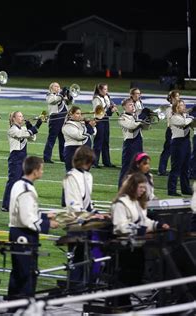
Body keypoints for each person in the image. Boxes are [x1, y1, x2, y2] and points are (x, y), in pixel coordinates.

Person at [111, 173, 169, 307]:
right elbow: (120, 226)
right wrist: (141, 230)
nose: (143, 191)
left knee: (136, 277)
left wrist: (157, 225)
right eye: (141, 187)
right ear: (132, 187)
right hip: (124, 247)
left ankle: (123, 302)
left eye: (145, 188)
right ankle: (121, 304)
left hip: (138, 245)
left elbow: (144, 220)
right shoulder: (121, 203)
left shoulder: (138, 203)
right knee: (126, 278)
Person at [8, 156, 59, 297]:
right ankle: (23, 307)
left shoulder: (19, 184)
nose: (42, 172)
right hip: (23, 234)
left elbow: (25, 211)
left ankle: (14, 306)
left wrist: (44, 216)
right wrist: (48, 224)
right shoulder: (26, 189)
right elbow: (27, 219)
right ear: (35, 171)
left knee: (19, 272)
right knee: (26, 273)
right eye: (41, 169)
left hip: (17, 231)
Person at [63, 146, 107, 286]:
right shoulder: (71, 177)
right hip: (75, 222)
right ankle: (75, 285)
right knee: (77, 256)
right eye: (89, 161)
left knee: (90, 252)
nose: (90, 165)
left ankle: (90, 280)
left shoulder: (88, 176)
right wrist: (88, 217)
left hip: (87, 219)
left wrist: (97, 213)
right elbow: (74, 205)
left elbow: (89, 201)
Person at [1, 111, 41, 212]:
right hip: (15, 157)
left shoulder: (23, 129)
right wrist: (36, 127)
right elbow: (21, 135)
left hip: (23, 157)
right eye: (19, 116)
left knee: (23, 182)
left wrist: (30, 126)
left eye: (22, 116)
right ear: (14, 119)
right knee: (13, 181)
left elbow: (32, 138)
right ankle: (6, 205)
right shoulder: (12, 130)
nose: (21, 118)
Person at [43, 82, 73, 163]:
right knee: (51, 139)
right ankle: (47, 157)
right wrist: (61, 95)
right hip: (55, 119)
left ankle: (63, 157)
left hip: (64, 119)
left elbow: (69, 104)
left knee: (63, 139)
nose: (58, 87)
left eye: (59, 86)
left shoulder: (61, 96)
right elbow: (53, 101)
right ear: (51, 88)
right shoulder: (49, 95)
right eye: (56, 86)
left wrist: (69, 97)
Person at [168, 99, 193, 196]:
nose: (184, 107)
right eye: (182, 105)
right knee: (176, 168)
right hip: (177, 143)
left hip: (186, 142)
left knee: (185, 167)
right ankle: (171, 190)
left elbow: (191, 124)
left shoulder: (185, 116)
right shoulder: (174, 117)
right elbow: (184, 123)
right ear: (176, 108)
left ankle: (185, 188)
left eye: (184, 105)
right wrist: (192, 116)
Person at [117, 98, 144, 188]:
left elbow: (146, 127)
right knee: (126, 168)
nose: (132, 106)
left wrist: (146, 119)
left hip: (138, 142)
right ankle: (121, 188)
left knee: (137, 167)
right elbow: (131, 126)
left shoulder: (135, 116)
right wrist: (140, 120)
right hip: (130, 144)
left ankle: (133, 188)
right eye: (130, 105)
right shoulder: (122, 117)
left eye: (133, 105)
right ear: (124, 107)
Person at [62, 106, 96, 171]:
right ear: (71, 114)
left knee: (84, 174)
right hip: (72, 151)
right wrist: (89, 126)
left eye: (80, 114)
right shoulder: (68, 125)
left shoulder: (81, 123)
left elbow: (93, 133)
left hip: (83, 151)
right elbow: (79, 136)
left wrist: (89, 125)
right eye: (77, 113)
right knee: (73, 174)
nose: (80, 115)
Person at [92, 83, 118, 168]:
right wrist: (111, 110)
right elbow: (99, 112)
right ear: (100, 90)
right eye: (105, 89)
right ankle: (94, 162)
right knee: (98, 142)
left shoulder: (106, 97)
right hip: (99, 120)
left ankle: (106, 162)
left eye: (107, 89)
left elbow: (107, 110)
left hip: (105, 120)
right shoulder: (96, 98)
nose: (107, 91)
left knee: (106, 141)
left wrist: (112, 107)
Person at [158, 90, 180, 176]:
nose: (178, 98)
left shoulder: (179, 106)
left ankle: (176, 169)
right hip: (171, 131)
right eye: (177, 96)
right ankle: (161, 169)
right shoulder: (167, 108)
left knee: (178, 151)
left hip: (179, 131)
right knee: (167, 151)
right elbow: (160, 116)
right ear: (171, 98)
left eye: (178, 96)